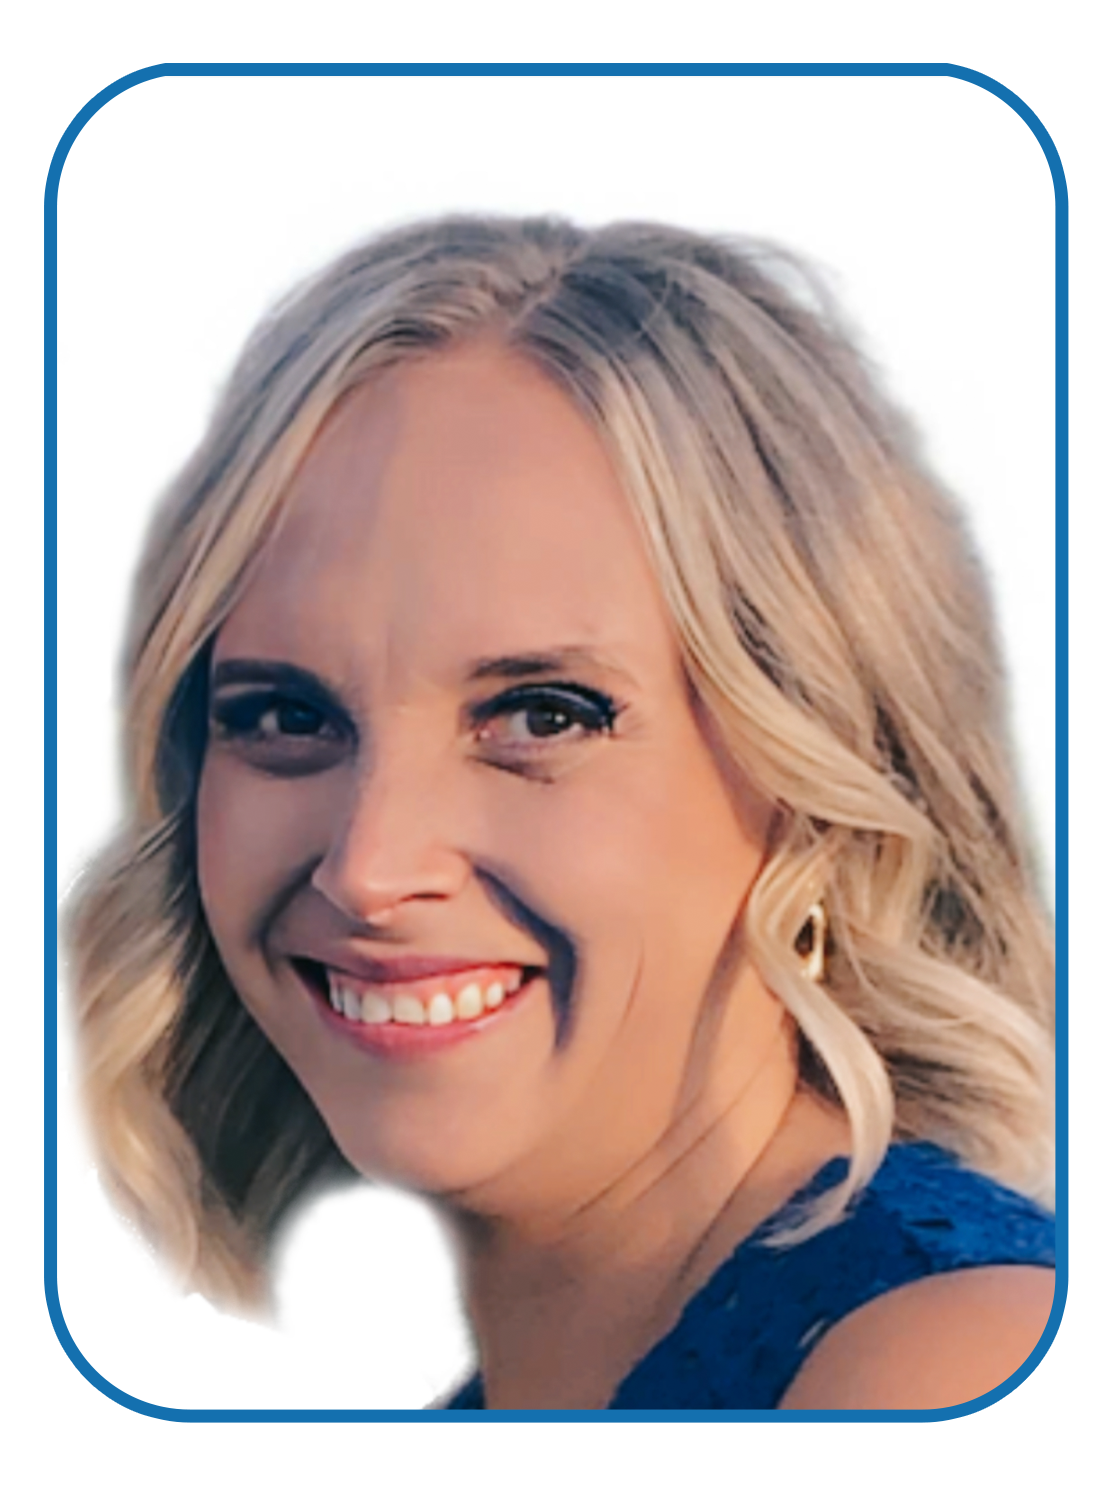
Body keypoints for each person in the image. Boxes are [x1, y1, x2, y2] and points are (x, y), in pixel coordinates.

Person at [65, 214, 1054, 1410]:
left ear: (818, 774)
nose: (368, 865)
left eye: (540, 715)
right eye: (286, 715)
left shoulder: (943, 1368)